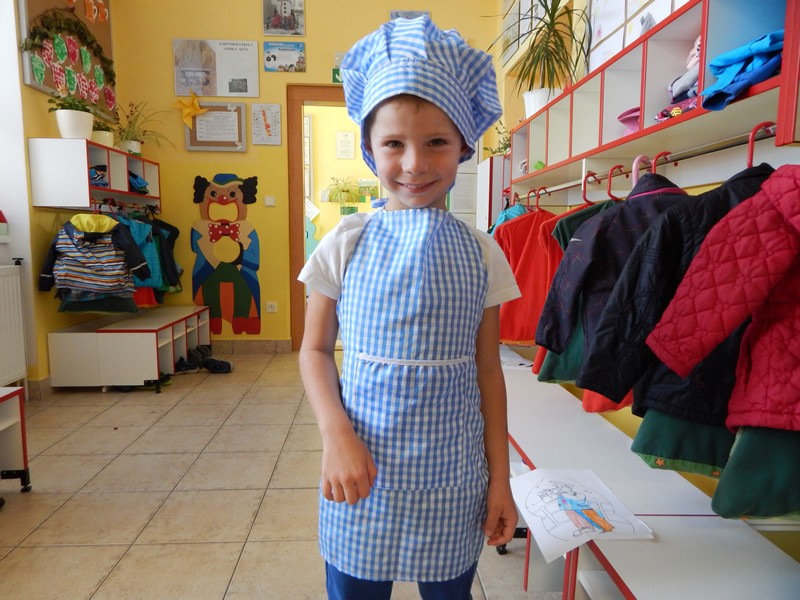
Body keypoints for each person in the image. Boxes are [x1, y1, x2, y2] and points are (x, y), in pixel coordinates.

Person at [298, 15, 521, 599]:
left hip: (453, 479)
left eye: (436, 142)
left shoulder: (482, 253)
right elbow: (314, 350)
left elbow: (489, 371)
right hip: (359, 468)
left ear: (464, 145)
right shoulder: (344, 242)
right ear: (370, 149)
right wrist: (335, 435)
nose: (415, 163)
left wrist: (501, 480)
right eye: (394, 143)